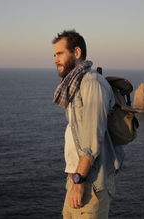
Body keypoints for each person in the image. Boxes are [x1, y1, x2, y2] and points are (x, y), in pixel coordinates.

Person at [52, 30, 124, 219]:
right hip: (77, 179)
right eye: (54, 55)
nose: (55, 59)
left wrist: (79, 181)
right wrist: (73, 180)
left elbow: (92, 141)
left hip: (90, 183)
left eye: (60, 53)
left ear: (76, 52)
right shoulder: (75, 84)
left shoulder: (91, 84)